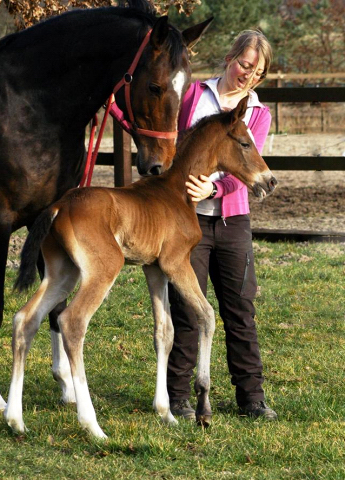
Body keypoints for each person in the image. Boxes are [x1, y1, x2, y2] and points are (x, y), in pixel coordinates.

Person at [167, 29, 278, 421]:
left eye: (258, 72)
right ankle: (177, 396)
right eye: (245, 64)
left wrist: (211, 188)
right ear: (231, 58)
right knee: (186, 308)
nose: (248, 75)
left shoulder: (257, 113)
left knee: (239, 310)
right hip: (187, 220)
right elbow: (171, 144)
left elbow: (246, 170)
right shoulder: (195, 96)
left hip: (233, 222)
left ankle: (252, 398)